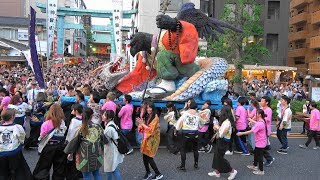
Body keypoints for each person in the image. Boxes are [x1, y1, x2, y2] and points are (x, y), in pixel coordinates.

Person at [64, 107, 104, 180]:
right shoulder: (98, 127)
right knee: (96, 173)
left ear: (82, 115)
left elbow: (74, 143)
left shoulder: (81, 129)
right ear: (92, 116)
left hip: (84, 156)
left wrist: (70, 152)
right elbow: (104, 140)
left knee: (86, 176)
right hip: (97, 155)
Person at [33, 104, 68, 180]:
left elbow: (42, 136)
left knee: (43, 167)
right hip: (60, 146)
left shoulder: (46, 123)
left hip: (48, 147)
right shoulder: (62, 122)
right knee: (59, 168)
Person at [0, 109, 32, 180]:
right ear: (12, 117)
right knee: (19, 171)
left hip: (1, 153)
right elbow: (22, 138)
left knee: (3, 172)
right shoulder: (17, 127)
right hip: (14, 152)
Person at [208, 105, 237, 180]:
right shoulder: (227, 120)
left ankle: (232, 171)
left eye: (221, 110)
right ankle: (217, 172)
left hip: (223, 141)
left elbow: (221, 134)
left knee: (219, 158)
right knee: (217, 156)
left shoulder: (227, 122)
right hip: (222, 141)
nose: (220, 112)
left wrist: (217, 127)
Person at [237, 109, 268, 175]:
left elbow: (252, 131)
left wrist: (241, 133)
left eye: (256, 114)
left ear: (259, 115)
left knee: (260, 156)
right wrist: (251, 120)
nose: (255, 115)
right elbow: (257, 124)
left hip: (260, 142)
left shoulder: (260, 123)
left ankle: (261, 171)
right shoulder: (262, 121)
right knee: (256, 154)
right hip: (260, 141)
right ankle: (255, 166)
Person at [136, 102, 163, 180]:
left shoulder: (155, 117)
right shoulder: (148, 115)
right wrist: (141, 124)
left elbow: (150, 130)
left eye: (150, 107)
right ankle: (148, 172)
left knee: (149, 157)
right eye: (147, 108)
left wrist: (142, 124)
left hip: (152, 139)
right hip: (146, 138)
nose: (148, 109)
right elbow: (144, 126)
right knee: (144, 156)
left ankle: (158, 173)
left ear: (153, 108)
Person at [175, 99, 203, 171]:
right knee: (195, 149)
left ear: (189, 106)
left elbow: (178, 125)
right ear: (196, 108)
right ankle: (196, 164)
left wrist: (177, 129)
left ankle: (183, 166)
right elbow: (200, 126)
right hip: (195, 134)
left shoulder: (185, 114)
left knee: (183, 149)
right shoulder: (198, 115)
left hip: (186, 134)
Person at [103, 110, 124, 180]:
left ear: (108, 118)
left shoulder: (109, 128)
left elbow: (105, 141)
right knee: (113, 168)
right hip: (114, 148)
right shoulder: (113, 124)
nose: (102, 116)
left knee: (111, 169)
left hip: (110, 151)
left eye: (104, 115)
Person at [259, 96, 275, 166]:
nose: (261, 102)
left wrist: (259, 118)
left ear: (267, 102)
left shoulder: (269, 110)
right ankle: (259, 160)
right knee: (260, 147)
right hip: (260, 129)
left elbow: (267, 119)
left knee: (261, 147)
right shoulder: (261, 108)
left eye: (262, 101)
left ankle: (269, 159)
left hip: (265, 130)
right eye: (261, 101)